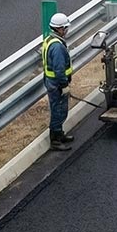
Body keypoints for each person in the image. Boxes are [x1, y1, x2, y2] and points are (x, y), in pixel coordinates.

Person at [42, 12, 74, 151]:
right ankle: (55, 140)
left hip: (51, 81)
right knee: (58, 111)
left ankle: (60, 134)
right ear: (59, 29)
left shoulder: (49, 40)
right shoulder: (57, 47)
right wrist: (64, 85)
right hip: (57, 84)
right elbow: (59, 69)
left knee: (59, 109)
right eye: (65, 28)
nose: (66, 30)